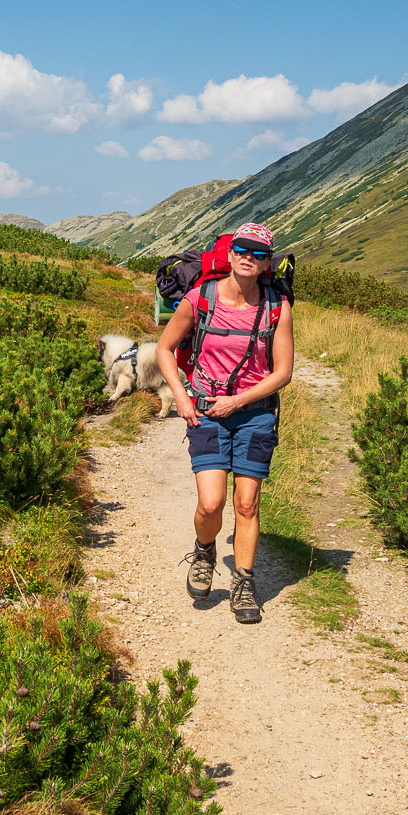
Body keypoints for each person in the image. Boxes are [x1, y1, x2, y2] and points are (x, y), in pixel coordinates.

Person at [156, 222, 294, 623]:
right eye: (243, 250)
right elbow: (165, 349)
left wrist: (238, 402)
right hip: (205, 411)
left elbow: (282, 372)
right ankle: (204, 550)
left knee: (247, 504)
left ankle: (244, 582)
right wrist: (181, 396)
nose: (249, 257)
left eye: (259, 253)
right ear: (231, 254)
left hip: (254, 414)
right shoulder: (201, 298)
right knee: (211, 503)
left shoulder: (275, 308)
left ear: (268, 263)